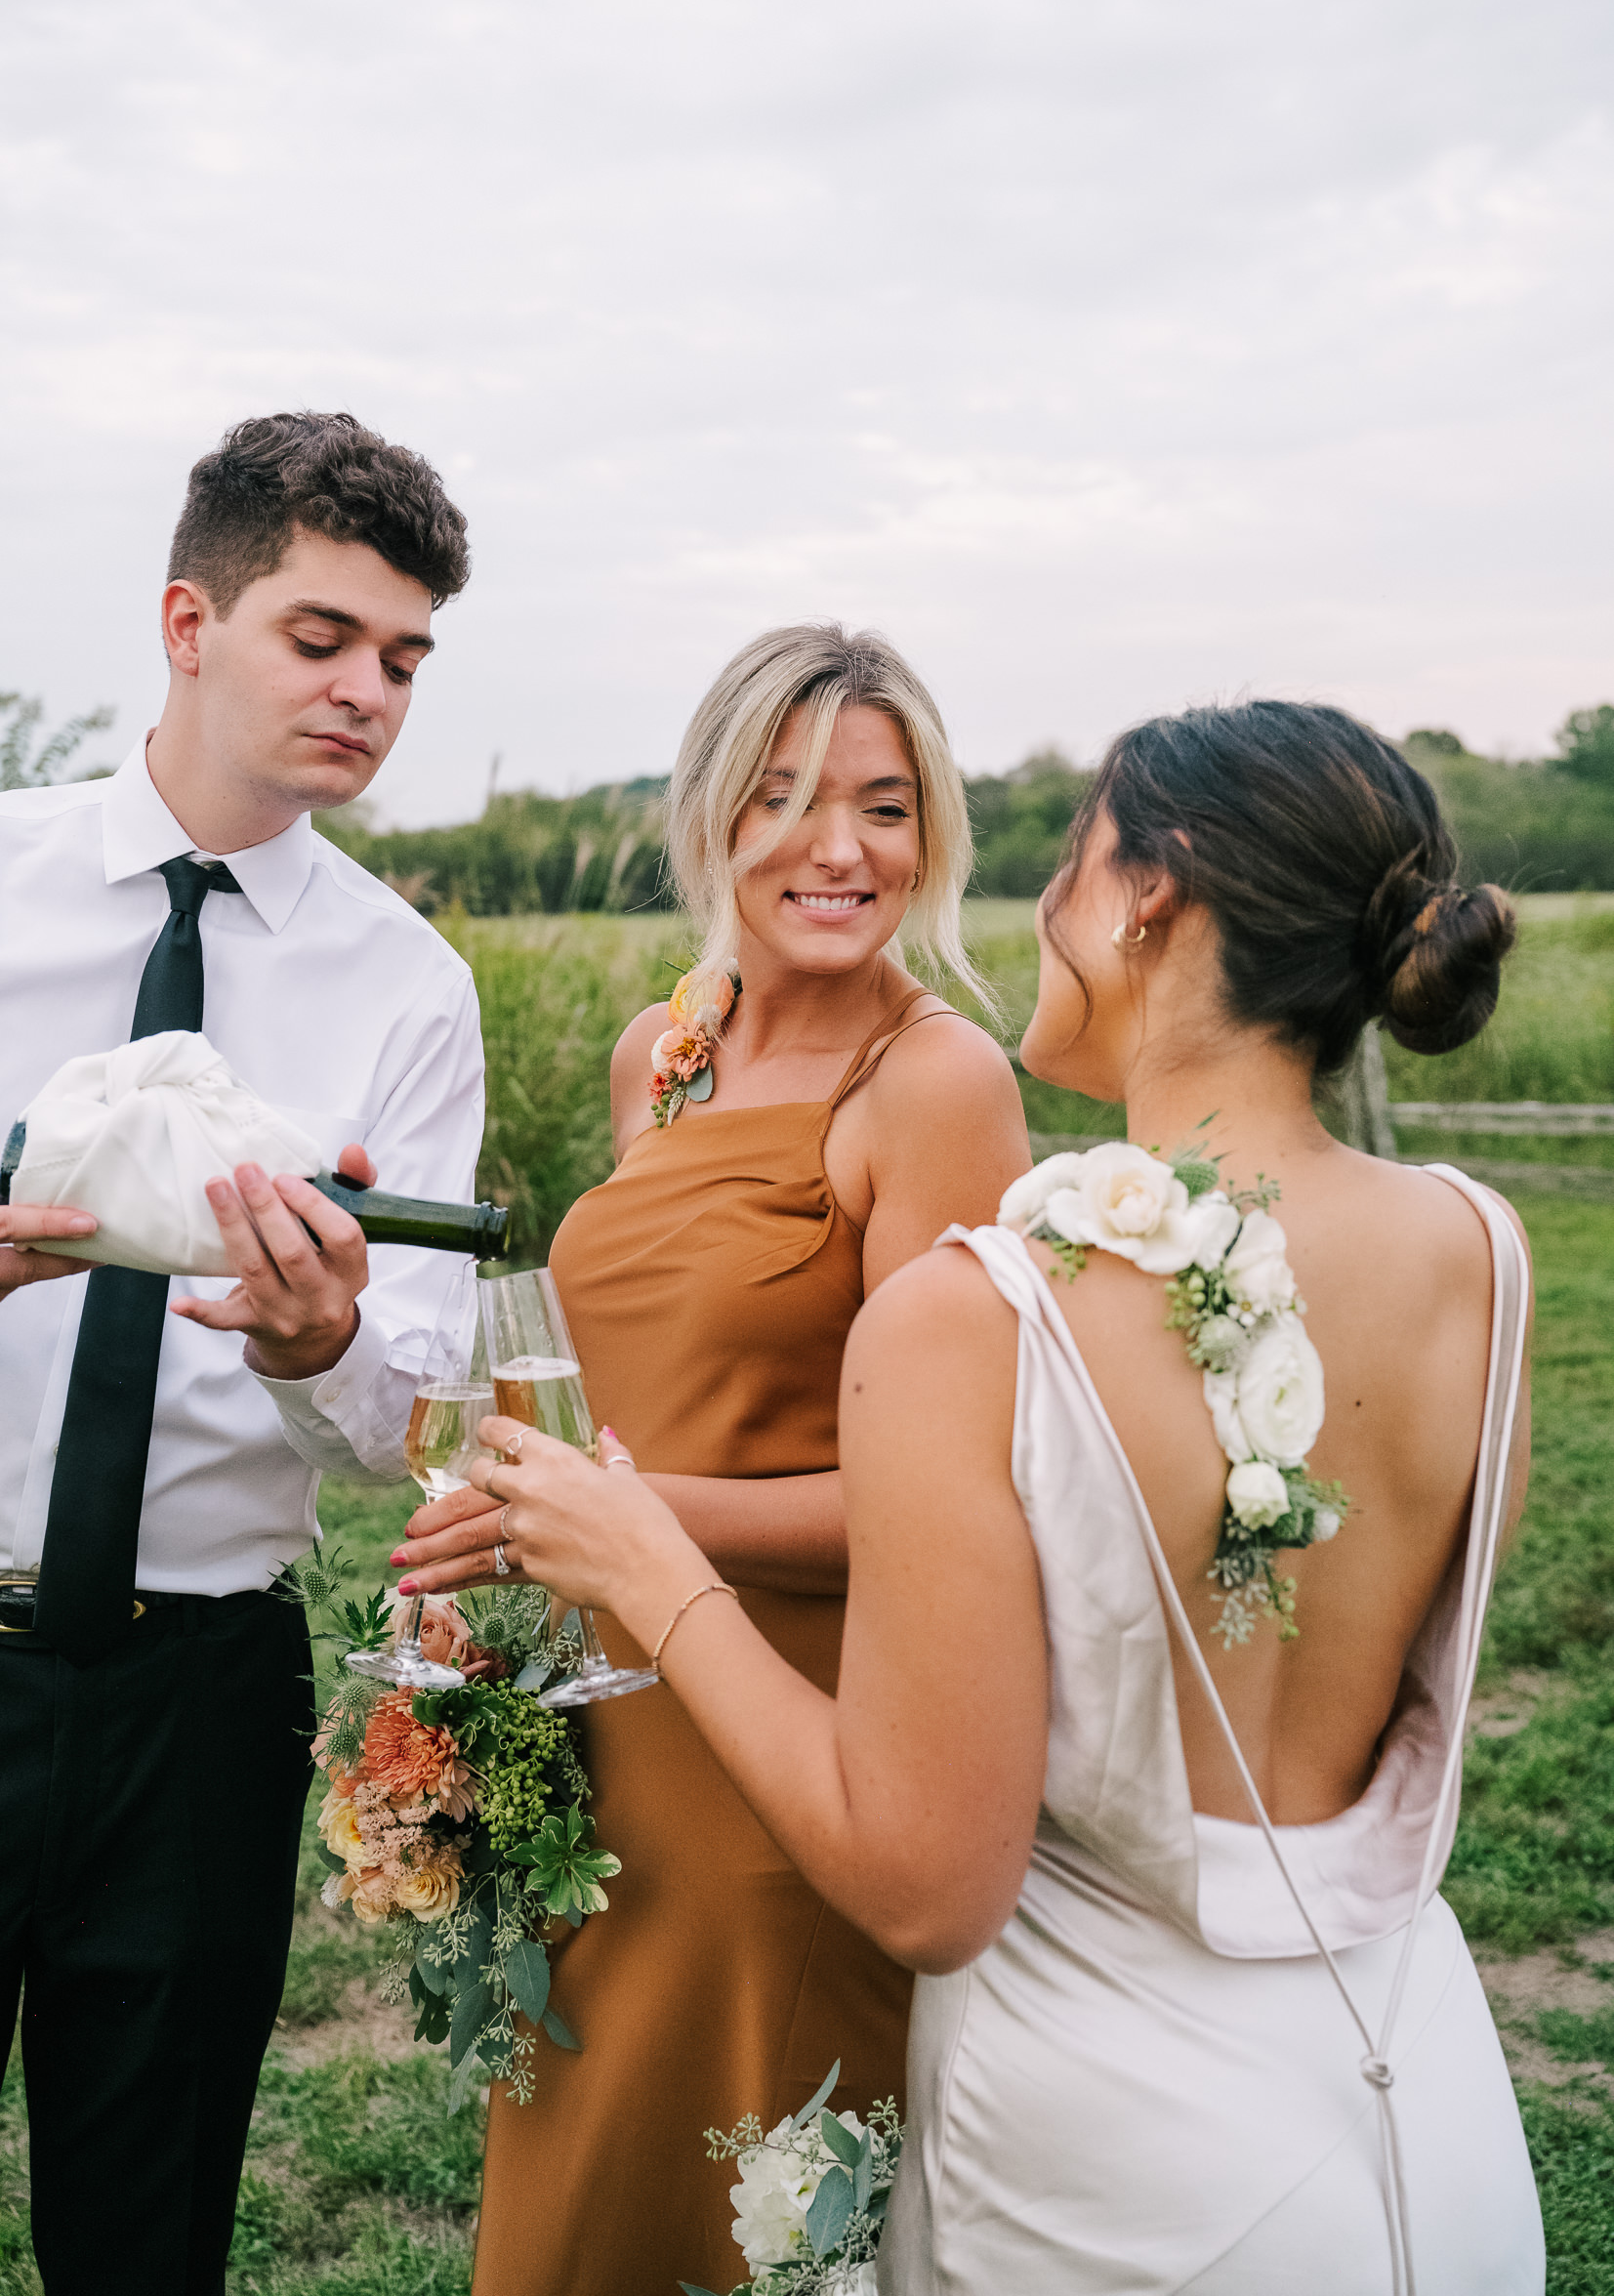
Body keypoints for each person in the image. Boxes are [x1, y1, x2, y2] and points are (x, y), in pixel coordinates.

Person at [401, 699, 1545, 2294]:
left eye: (1068, 859)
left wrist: (643, 1551)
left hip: (1106, 2147)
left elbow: (927, 1889)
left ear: (1150, 895)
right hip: (1410, 2095)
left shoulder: (978, 1311)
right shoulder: (1479, 1251)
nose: (1035, 907)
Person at [439, 624, 1029, 2296]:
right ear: (706, 820)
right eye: (779, 797)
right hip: (603, 1731)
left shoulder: (935, 1084)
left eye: (883, 805)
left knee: (731, 2207)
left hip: (784, 1754)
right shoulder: (664, 1052)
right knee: (579, 2195)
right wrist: (529, 1534)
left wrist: (611, 1520)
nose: (836, 848)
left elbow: (942, 1516)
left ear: (933, 837)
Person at [0, 413, 484, 2296]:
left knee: (150, 2235)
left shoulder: (407, 989)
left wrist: (328, 1334)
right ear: (190, 619)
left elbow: (406, 1420)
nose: (368, 690)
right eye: (323, 637)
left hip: (204, 1696)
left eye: (405, 660)